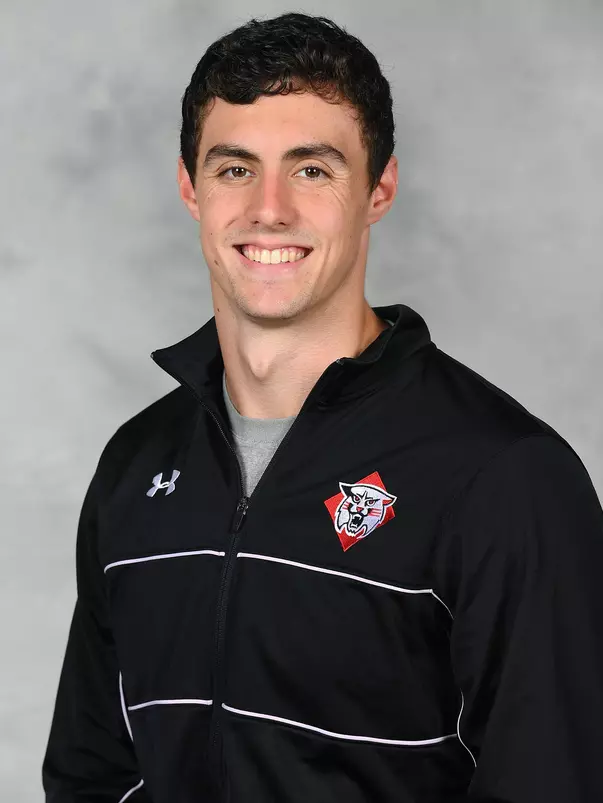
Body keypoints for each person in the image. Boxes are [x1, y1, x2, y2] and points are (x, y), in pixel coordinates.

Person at [42, 11, 603, 803]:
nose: (268, 210)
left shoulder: (504, 477)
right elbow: (90, 772)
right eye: (235, 169)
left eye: (311, 169)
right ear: (189, 188)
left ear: (378, 189)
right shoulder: (136, 466)